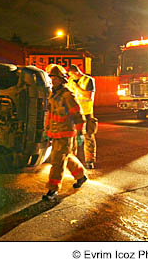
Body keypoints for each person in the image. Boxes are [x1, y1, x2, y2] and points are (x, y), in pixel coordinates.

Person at [42, 65, 88, 201]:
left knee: (57, 161)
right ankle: (81, 176)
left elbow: (78, 114)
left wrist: (80, 133)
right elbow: (50, 115)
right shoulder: (53, 94)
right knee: (66, 157)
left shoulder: (67, 95)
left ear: (62, 79)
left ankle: (52, 189)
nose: (52, 80)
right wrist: (47, 131)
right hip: (55, 133)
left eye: (55, 78)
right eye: (51, 77)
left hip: (66, 134)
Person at [67, 64, 98, 169]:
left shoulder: (88, 80)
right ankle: (72, 161)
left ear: (76, 72)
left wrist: (77, 87)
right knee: (73, 137)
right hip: (74, 113)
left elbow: (88, 95)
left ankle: (90, 161)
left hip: (87, 113)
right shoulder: (70, 81)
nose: (71, 77)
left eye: (71, 74)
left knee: (88, 137)